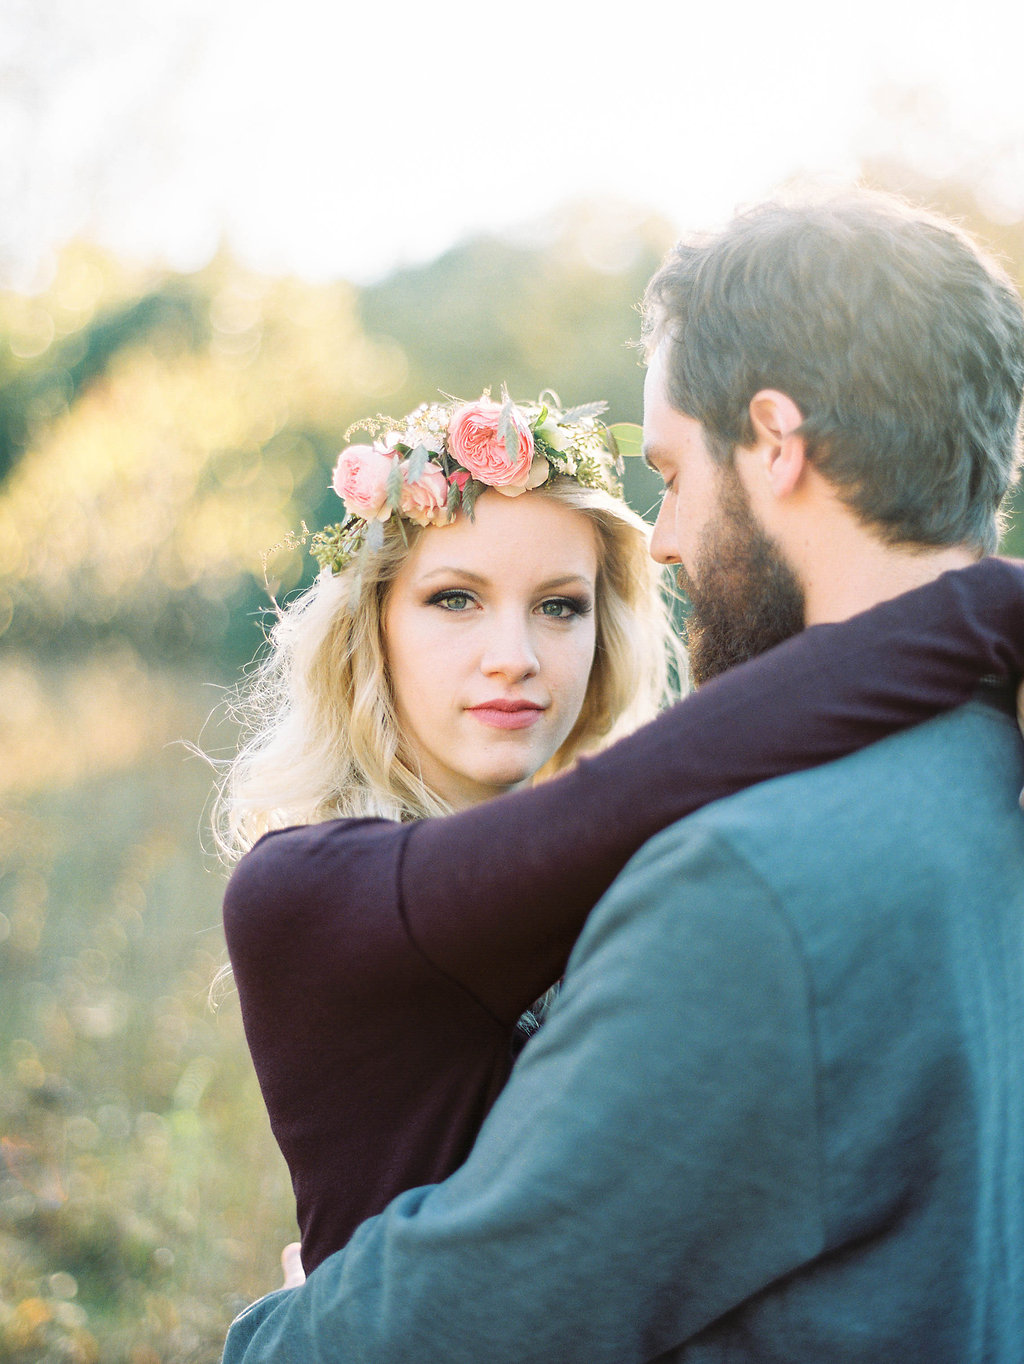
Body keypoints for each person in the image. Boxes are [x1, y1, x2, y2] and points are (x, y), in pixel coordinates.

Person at [222, 190, 1024, 1364]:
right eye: (453, 598)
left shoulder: (744, 883)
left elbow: (462, 1317)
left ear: (774, 442)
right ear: (368, 625)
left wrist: (276, 1334)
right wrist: (986, 602)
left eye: (671, 473)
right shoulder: (983, 779)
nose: (665, 536)